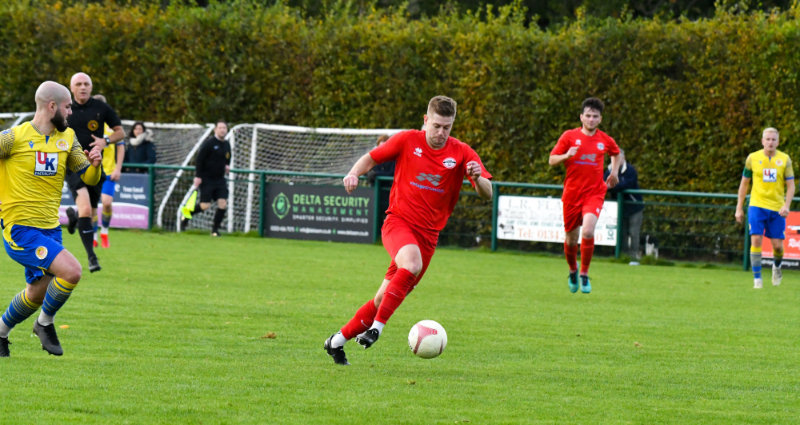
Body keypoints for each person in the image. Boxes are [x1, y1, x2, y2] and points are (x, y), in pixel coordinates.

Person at [323, 95, 493, 366]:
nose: (441, 132)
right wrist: (353, 173)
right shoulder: (407, 140)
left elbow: (487, 193)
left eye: (447, 127)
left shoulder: (462, 152)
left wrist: (477, 177)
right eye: (436, 126)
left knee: (383, 298)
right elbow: (371, 158)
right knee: (412, 264)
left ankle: (336, 342)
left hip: (428, 237)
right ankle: (377, 329)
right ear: (426, 120)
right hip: (398, 223)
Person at [0, 81, 103, 357]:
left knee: (36, 294)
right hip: (20, 229)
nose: (70, 113)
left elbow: (89, 177)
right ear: (52, 106)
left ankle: (0, 332)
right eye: (68, 107)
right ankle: (44, 324)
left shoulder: (67, 137)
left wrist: (95, 165)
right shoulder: (13, 138)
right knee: (72, 271)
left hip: (50, 230)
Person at [549, 97, 620, 294]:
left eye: (595, 116)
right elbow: (551, 160)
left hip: (594, 193)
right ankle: (573, 269)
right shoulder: (569, 137)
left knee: (588, 231)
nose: (591, 119)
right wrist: (566, 156)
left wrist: (614, 172)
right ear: (581, 117)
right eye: (588, 115)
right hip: (572, 194)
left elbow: (616, 153)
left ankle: (584, 273)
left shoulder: (605, 140)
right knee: (571, 240)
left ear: (600, 119)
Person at [64, 72, 124, 272]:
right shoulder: (65, 108)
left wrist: (105, 140)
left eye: (86, 84)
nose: (83, 87)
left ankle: (73, 218)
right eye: (78, 84)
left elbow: (120, 132)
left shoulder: (101, 108)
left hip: (95, 165)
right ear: (71, 88)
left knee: (88, 211)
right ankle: (92, 257)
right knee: (86, 210)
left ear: (91, 87)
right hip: (73, 165)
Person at [735, 127, 795, 289]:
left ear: (778, 142)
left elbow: (791, 186)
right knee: (756, 239)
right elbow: (744, 184)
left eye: (773, 139)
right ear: (762, 141)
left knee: (778, 246)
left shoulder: (785, 160)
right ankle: (757, 280)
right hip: (757, 205)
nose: (770, 142)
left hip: (777, 208)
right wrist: (739, 208)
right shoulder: (752, 158)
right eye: (767, 139)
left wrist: (786, 206)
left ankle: (777, 267)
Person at [180, 120, 231, 236]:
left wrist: (227, 165)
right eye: (220, 128)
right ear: (215, 130)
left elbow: (228, 156)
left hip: (220, 179)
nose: (222, 130)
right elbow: (199, 159)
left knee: (223, 203)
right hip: (207, 179)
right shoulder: (209, 143)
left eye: (224, 128)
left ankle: (215, 230)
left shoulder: (227, 144)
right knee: (205, 206)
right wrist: (198, 176)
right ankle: (187, 214)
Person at [91, 94, 126, 249]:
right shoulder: (89, 125)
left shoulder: (112, 127)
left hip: (108, 172)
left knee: (106, 203)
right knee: (91, 207)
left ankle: (104, 231)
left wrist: (118, 168)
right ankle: (93, 236)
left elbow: (121, 147)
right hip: (92, 172)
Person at [603, 149, 644, 265]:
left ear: (623, 158)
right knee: (622, 233)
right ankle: (623, 256)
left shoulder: (630, 170)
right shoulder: (609, 170)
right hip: (619, 208)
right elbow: (604, 183)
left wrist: (612, 185)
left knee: (634, 232)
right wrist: (612, 185)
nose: (616, 160)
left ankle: (634, 257)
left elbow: (626, 184)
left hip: (634, 207)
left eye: (618, 157)